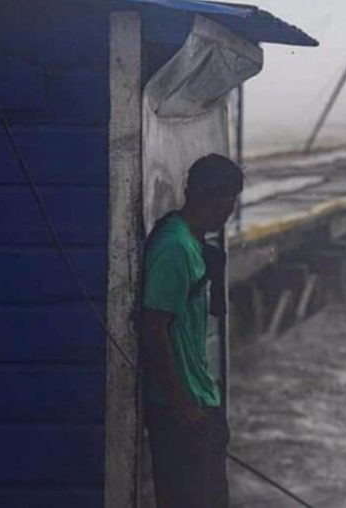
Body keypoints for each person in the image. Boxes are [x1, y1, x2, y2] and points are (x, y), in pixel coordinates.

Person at [142, 153, 243, 508]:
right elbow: (153, 330)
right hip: (182, 412)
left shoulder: (189, 240)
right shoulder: (176, 249)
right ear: (221, 201)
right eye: (229, 199)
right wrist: (182, 403)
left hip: (198, 403)